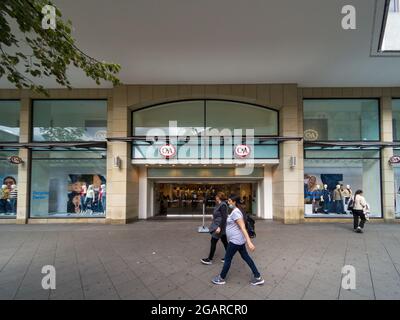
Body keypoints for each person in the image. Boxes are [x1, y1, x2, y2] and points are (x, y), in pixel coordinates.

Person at [212, 195, 264, 286]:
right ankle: (257, 276)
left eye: (229, 201)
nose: (228, 202)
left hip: (235, 241)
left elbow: (243, 227)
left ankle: (221, 278)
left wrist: (249, 242)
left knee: (228, 259)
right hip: (239, 240)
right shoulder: (237, 211)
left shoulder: (236, 212)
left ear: (234, 202)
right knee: (246, 257)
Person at [201, 192, 228, 265]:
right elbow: (218, 214)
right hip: (217, 225)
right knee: (225, 242)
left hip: (219, 226)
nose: (215, 197)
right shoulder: (218, 204)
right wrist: (214, 216)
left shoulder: (223, 205)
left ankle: (209, 259)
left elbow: (224, 217)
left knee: (213, 241)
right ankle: (228, 257)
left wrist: (219, 227)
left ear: (219, 197)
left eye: (216, 196)